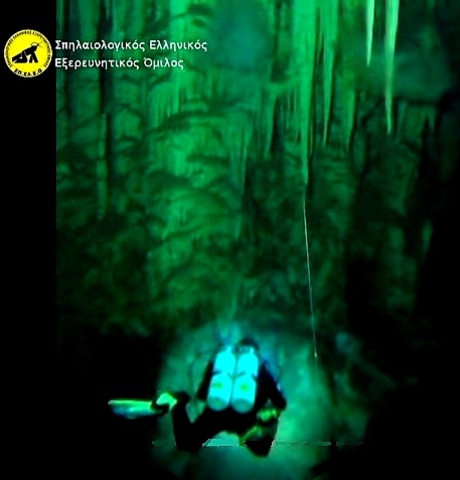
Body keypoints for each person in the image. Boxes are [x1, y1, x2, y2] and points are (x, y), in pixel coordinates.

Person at [153, 337, 287, 456]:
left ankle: (179, 402)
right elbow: (281, 403)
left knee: (187, 443)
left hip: (216, 415)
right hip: (246, 420)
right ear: (256, 355)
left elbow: (202, 395)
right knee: (262, 449)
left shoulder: (220, 364)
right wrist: (269, 416)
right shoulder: (262, 372)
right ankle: (257, 429)